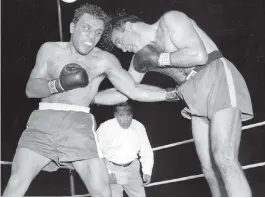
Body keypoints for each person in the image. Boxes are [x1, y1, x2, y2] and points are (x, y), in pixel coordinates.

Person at [2, 4, 178, 197]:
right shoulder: (49, 50)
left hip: (79, 125)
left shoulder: (105, 60)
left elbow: (132, 90)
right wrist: (59, 85)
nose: (91, 37)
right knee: (16, 183)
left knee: (103, 192)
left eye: (97, 32)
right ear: (72, 27)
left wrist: (172, 93)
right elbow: (30, 89)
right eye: (86, 28)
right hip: (44, 122)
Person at [94, 11, 254, 197]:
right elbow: (128, 91)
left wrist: (159, 59)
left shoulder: (170, 20)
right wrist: (89, 97)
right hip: (192, 93)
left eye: (119, 41)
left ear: (128, 26)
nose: (122, 49)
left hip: (215, 75)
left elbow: (198, 55)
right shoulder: (140, 57)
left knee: (224, 157)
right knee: (209, 169)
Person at [97, 102, 153, 197]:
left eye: (128, 114)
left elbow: (146, 150)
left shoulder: (138, 126)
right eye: (121, 115)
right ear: (115, 115)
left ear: (132, 114)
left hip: (133, 170)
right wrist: (107, 172)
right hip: (111, 169)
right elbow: (97, 152)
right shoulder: (105, 128)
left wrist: (147, 172)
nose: (125, 119)